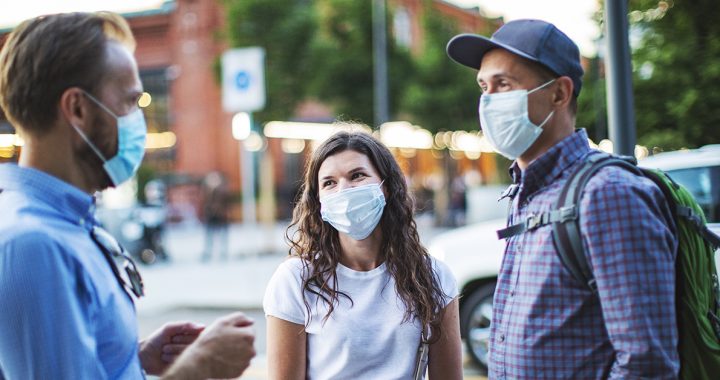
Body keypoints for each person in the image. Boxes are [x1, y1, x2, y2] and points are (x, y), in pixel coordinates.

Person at [0, 12, 255, 379]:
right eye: (131, 101)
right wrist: (200, 369)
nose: (137, 119)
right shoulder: (33, 244)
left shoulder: (72, 221)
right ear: (78, 109)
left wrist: (132, 358)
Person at [447, 19, 678, 378]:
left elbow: (646, 362)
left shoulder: (608, 194)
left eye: (504, 84)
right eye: (483, 86)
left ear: (559, 93)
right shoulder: (529, 190)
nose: (488, 101)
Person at [263, 131, 463, 379]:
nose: (343, 191)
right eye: (329, 183)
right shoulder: (295, 280)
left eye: (357, 176)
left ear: (386, 187)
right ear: (319, 201)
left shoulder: (432, 276)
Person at [201, 171, 230, 261]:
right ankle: (208, 251)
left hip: (221, 215)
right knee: (209, 234)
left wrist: (220, 210)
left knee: (222, 234)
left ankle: (223, 251)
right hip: (211, 215)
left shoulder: (222, 189)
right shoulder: (207, 189)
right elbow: (205, 201)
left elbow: (226, 203)